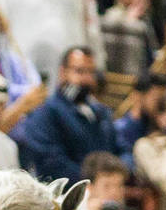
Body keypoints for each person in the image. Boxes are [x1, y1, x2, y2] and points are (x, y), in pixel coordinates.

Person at [11, 46, 117, 183]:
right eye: (79, 71)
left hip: (104, 189)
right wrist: (93, 181)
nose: (86, 79)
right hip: (68, 192)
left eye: (91, 72)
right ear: (63, 72)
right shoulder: (46, 112)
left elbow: (116, 148)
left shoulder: (101, 112)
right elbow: (51, 162)